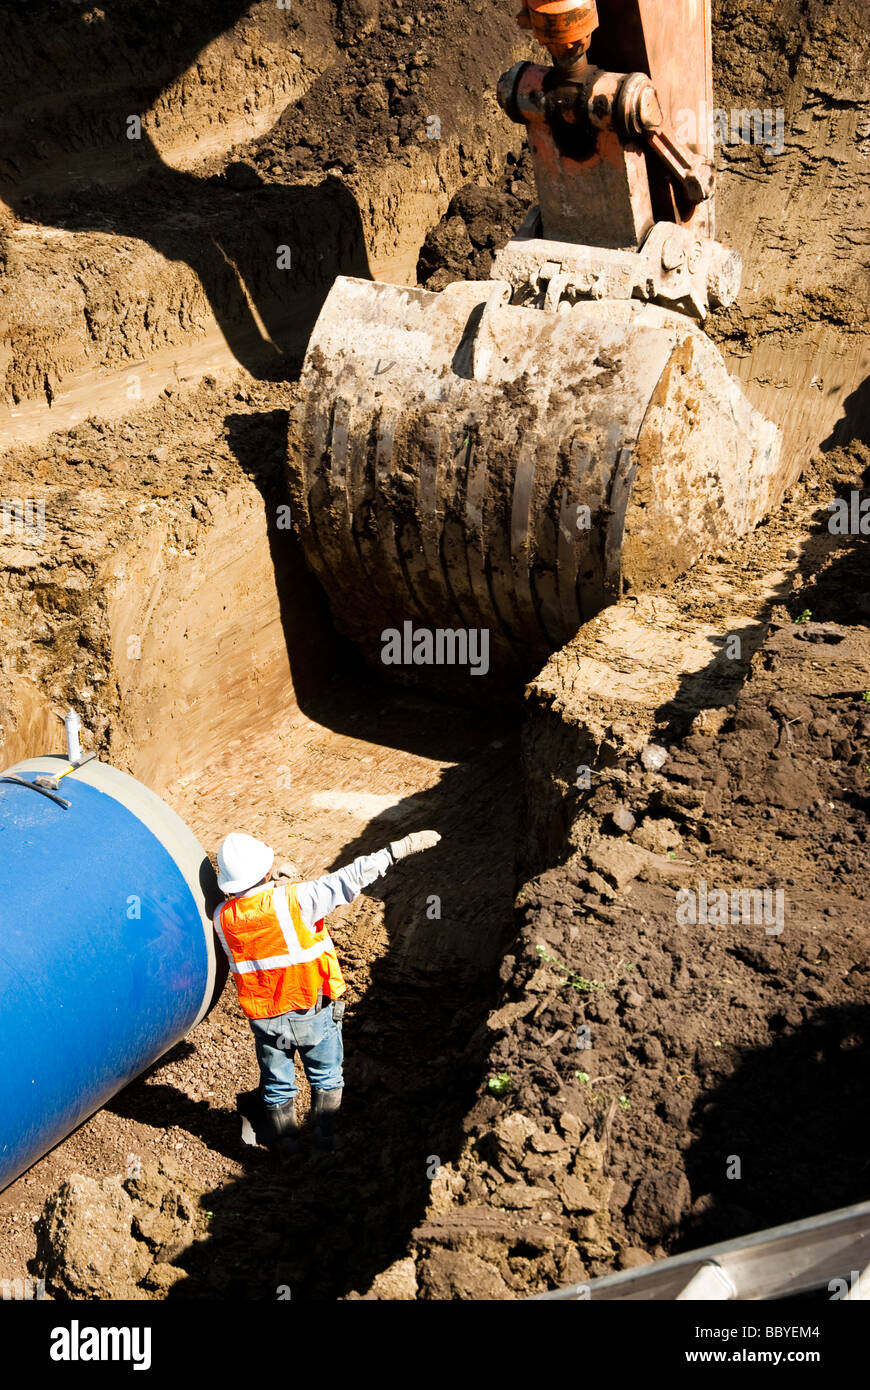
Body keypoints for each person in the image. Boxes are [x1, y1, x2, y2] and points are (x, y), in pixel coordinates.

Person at [213, 828, 441, 1153]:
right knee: (326, 1077)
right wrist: (396, 849)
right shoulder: (297, 899)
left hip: (265, 1019)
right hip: (310, 1011)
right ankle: (323, 1146)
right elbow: (350, 877)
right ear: (265, 871)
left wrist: (268, 887)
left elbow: (254, 915)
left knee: (277, 1086)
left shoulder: (222, 918)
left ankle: (286, 1149)